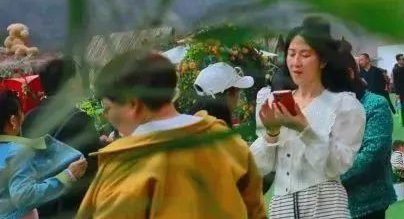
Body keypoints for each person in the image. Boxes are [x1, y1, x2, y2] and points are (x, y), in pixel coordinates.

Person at [78, 51, 265, 219]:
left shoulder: (124, 166)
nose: (107, 116)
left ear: (133, 104)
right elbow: (255, 210)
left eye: (107, 108)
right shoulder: (227, 142)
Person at [252, 22, 366, 219]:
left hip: (325, 205)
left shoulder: (344, 105)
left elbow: (338, 165)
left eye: (305, 55)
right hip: (281, 207)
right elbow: (260, 167)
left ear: (322, 61)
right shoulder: (274, 102)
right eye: (291, 54)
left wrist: (304, 128)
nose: (296, 62)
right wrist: (271, 134)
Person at [23, 57, 99, 218]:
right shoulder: (80, 119)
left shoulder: (29, 119)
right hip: (73, 206)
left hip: (41, 205)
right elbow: (93, 162)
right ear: (70, 83)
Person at [1, 89, 86, 219]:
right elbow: (23, 196)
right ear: (13, 120)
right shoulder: (17, 152)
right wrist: (67, 176)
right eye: (20, 113)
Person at [340, 44, 396, 219]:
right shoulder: (323, 107)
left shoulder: (374, 105)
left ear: (349, 73)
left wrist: (330, 179)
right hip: (329, 204)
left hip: (369, 201)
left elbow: (372, 153)